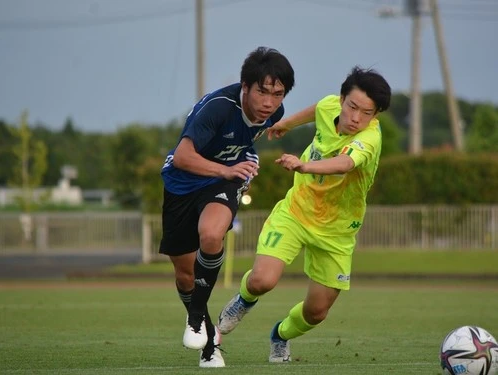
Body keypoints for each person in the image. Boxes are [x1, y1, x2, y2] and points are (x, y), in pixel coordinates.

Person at [218, 66, 391, 363]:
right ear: (342, 99)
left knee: (316, 312)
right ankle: (242, 302)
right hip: (296, 212)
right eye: (352, 107)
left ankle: (280, 335)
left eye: (367, 113)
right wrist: (286, 124)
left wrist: (304, 166)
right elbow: (318, 109)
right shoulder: (329, 104)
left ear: (375, 116)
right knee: (262, 280)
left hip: (336, 232)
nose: (356, 118)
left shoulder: (370, 139)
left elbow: (344, 164)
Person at [159, 46, 295, 368]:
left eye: (277, 94)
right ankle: (207, 335)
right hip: (182, 183)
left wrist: (242, 164)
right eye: (262, 92)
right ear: (245, 86)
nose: (269, 102)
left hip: (225, 180)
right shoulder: (219, 108)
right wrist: (226, 168)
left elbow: (245, 139)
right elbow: (182, 157)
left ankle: (198, 325)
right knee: (184, 275)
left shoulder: (273, 113)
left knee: (211, 234)